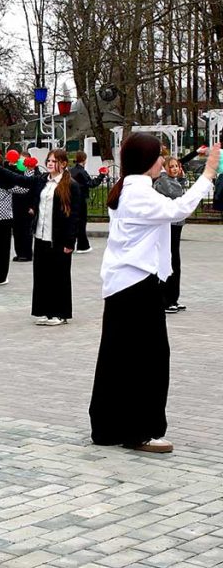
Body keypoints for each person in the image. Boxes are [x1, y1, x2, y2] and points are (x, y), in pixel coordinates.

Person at [88, 136, 219, 454]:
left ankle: (108, 426)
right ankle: (140, 430)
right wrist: (208, 174)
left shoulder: (134, 188)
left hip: (125, 284)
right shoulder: (137, 194)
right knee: (149, 360)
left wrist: (196, 159)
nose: (163, 161)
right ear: (146, 160)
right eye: (159, 157)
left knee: (118, 359)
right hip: (136, 286)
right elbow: (179, 210)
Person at [0, 149, 80, 326]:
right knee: (42, 275)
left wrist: (70, 241)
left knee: (59, 276)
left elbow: (74, 216)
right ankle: (45, 311)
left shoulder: (70, 185)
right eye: (48, 160)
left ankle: (59, 313)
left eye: (54, 161)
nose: (49, 163)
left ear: (63, 164)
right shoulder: (42, 181)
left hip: (58, 238)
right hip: (41, 235)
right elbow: (19, 179)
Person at [153, 156, 189, 313]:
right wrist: (181, 182)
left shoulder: (173, 180)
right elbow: (175, 193)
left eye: (177, 166)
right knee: (170, 261)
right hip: (168, 225)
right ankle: (165, 300)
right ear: (165, 168)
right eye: (172, 166)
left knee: (176, 261)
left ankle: (174, 298)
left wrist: (182, 179)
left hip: (177, 224)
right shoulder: (163, 180)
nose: (175, 169)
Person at [69, 152, 102, 253]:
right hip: (81, 199)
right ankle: (82, 245)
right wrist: (101, 176)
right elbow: (91, 183)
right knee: (82, 222)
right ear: (84, 160)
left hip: (72, 199)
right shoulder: (82, 172)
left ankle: (72, 244)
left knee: (74, 222)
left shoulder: (71, 170)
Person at [11, 153, 35, 262]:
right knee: (17, 230)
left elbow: (35, 192)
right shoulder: (18, 172)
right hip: (17, 205)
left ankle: (27, 254)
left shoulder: (35, 175)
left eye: (24, 160)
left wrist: (33, 206)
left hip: (27, 206)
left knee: (26, 230)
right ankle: (19, 252)